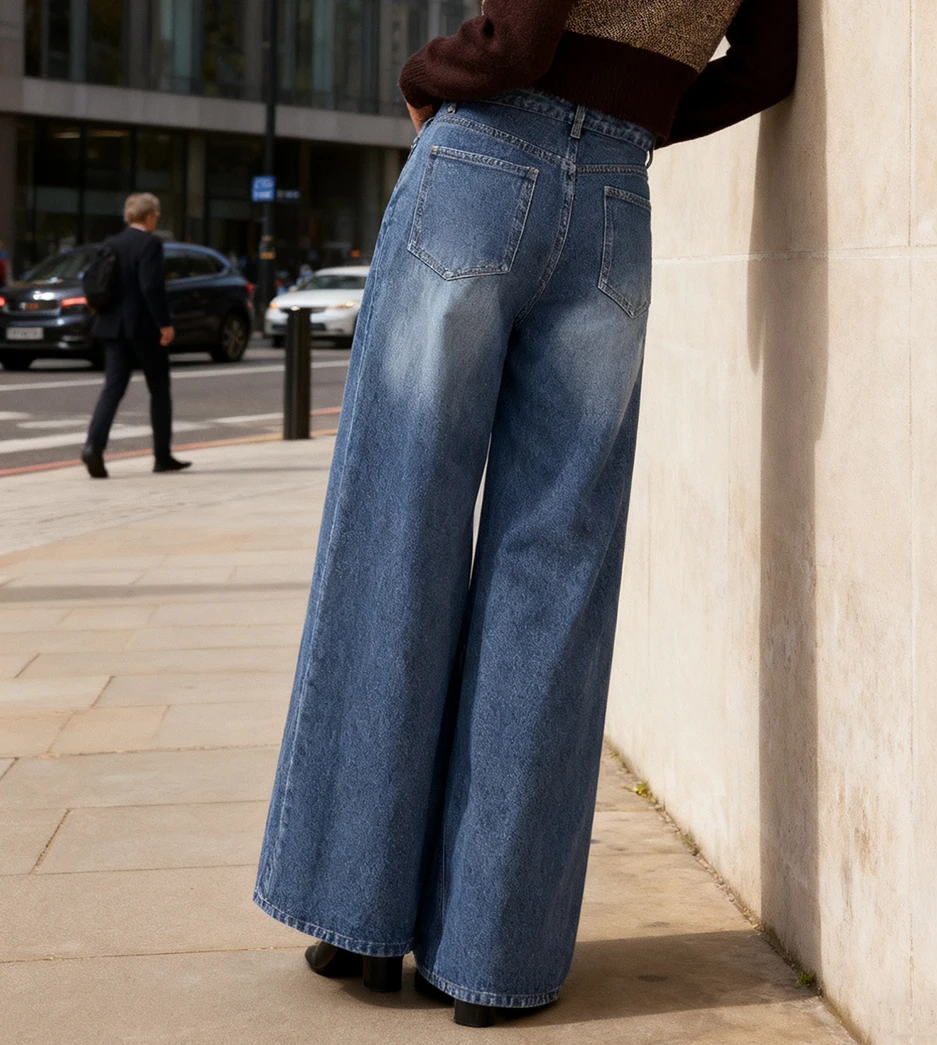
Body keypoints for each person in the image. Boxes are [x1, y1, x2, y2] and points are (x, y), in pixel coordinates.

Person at [254, 0, 798, 1028]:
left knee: (395, 531)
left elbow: (523, 36)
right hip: (612, 204)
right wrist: (631, 115)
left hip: (481, 165)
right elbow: (766, 64)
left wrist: (426, 75)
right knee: (556, 567)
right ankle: (492, 954)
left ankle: (358, 913)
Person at [81, 193, 190, 479]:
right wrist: (164, 324)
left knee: (113, 389)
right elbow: (151, 287)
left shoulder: (111, 243)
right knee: (159, 390)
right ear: (149, 216)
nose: (157, 218)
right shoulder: (150, 244)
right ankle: (162, 456)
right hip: (142, 329)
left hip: (112, 327)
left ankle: (93, 446)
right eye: (156, 214)